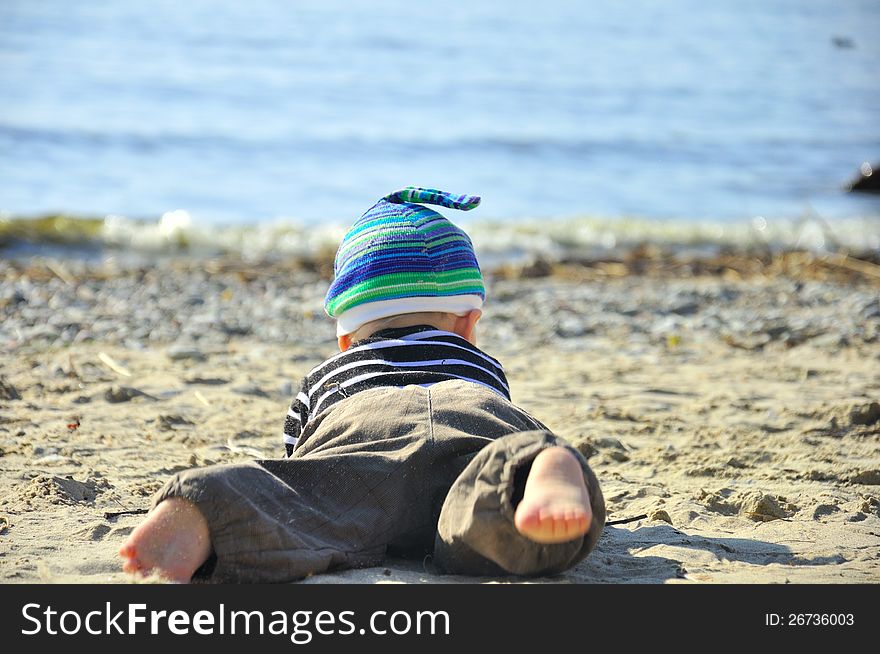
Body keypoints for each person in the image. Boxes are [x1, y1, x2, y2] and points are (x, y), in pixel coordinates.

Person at [119, 187, 606, 583]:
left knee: (297, 501)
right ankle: (542, 464)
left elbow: (297, 454)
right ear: (468, 324)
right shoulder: (482, 365)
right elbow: (499, 402)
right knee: (498, 500)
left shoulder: (327, 377)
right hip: (472, 426)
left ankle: (207, 504)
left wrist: (311, 483)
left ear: (346, 337)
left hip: (364, 437)